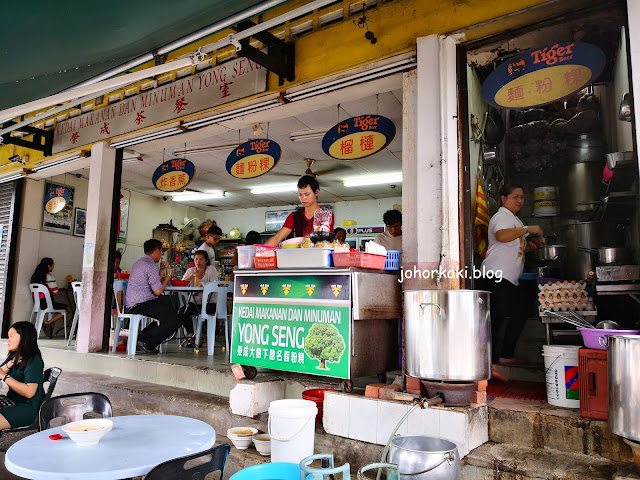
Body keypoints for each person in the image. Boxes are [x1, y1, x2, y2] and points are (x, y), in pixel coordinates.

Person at [481, 184, 544, 380]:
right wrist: (528, 229)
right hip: (495, 276)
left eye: (522, 197)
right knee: (495, 319)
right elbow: (501, 236)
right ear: (503, 198)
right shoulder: (501, 217)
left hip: (508, 279)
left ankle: (506, 355)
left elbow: (512, 248)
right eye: (515, 197)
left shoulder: (514, 220)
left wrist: (531, 246)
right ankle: (488, 364)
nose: (519, 201)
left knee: (523, 309)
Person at [125, 239, 180, 353]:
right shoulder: (150, 265)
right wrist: (167, 279)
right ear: (156, 251)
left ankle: (140, 339)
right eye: (161, 252)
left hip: (132, 303)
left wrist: (161, 271)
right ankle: (144, 341)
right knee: (175, 319)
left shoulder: (139, 263)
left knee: (166, 317)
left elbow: (153, 283)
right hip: (142, 303)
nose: (161, 255)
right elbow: (158, 290)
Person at [0, 322, 45, 430]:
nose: (8, 340)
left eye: (11, 337)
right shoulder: (15, 357)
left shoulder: (34, 361)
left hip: (27, 408)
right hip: (13, 401)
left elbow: (29, 392)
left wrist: (5, 377)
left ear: (23, 338)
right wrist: (11, 363)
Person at [266, 176, 334, 246]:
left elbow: (327, 241)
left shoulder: (327, 215)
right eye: (300, 194)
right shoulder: (294, 216)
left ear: (316, 192)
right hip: (299, 254)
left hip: (320, 254)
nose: (303, 198)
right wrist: (262, 250)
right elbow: (278, 237)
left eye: (307, 194)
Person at [179, 250, 219, 346]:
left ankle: (202, 335)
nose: (198, 262)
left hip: (209, 302)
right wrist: (192, 275)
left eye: (201, 259)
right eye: (196, 259)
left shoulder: (211, 270)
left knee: (208, 311)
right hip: (194, 302)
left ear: (206, 261)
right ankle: (191, 335)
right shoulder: (191, 270)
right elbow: (182, 283)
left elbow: (214, 286)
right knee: (182, 312)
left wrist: (201, 285)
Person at [30, 258, 68, 338]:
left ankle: (50, 329)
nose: (53, 267)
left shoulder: (34, 277)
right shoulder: (49, 277)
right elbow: (56, 292)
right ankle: (47, 323)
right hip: (47, 304)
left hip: (37, 304)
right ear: (48, 266)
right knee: (67, 309)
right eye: (53, 265)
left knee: (57, 311)